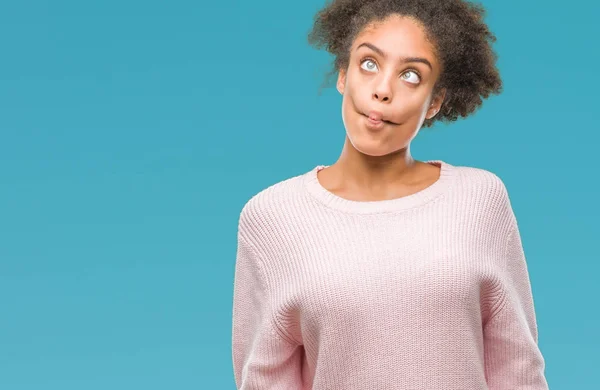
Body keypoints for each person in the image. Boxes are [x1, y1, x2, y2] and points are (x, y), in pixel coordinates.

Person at [232, 0, 549, 388]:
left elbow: (518, 369)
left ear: (435, 101)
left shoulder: (480, 199)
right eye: (369, 64)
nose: (383, 90)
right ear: (343, 74)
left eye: (411, 75)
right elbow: (265, 379)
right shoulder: (271, 217)